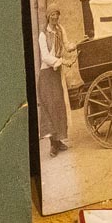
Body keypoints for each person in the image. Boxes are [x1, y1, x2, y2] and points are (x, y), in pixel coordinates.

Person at [37, 8, 70, 156]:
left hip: (56, 74)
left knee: (59, 106)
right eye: (52, 15)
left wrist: (74, 46)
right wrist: (61, 61)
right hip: (46, 75)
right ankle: (53, 145)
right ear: (48, 17)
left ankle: (59, 141)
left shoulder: (60, 30)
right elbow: (45, 57)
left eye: (57, 15)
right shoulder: (43, 35)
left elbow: (66, 45)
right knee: (50, 108)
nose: (55, 17)